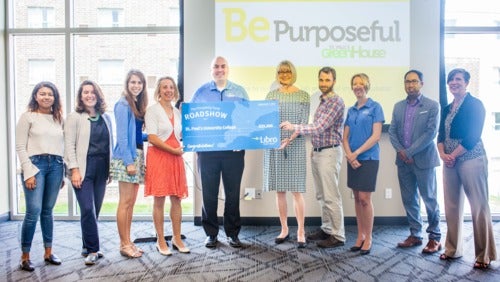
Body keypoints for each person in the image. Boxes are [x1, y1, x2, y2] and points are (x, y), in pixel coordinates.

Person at [437, 68, 497, 269]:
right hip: (449, 162)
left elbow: (473, 136)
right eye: (451, 80)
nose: (454, 82)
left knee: (478, 207)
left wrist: (452, 155)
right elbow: (440, 136)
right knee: (452, 207)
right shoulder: (446, 108)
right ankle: (452, 250)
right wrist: (443, 154)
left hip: (471, 158)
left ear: (466, 82)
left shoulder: (475, 105)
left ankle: (483, 255)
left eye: (458, 79)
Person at [280, 66, 345, 248]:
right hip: (318, 152)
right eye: (321, 80)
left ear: (334, 81)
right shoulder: (323, 101)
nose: (323, 83)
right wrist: (293, 136)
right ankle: (327, 229)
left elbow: (318, 127)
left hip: (329, 153)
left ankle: (338, 235)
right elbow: (314, 125)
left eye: (327, 80)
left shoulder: (336, 102)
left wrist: (293, 126)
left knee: (331, 196)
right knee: (322, 195)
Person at [191, 56, 249, 249]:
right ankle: (211, 234)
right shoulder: (200, 93)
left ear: (228, 69)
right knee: (209, 194)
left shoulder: (240, 91)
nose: (220, 69)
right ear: (211, 70)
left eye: (223, 66)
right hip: (208, 154)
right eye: (216, 66)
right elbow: (192, 121)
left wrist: (242, 139)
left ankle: (233, 234)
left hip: (234, 152)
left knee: (232, 194)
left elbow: (247, 120)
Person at [388, 70, 442, 253]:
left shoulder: (432, 105)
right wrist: (402, 152)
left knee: (429, 199)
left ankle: (434, 238)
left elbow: (431, 133)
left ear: (422, 83)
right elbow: (393, 131)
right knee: (409, 199)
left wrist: (409, 151)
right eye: (407, 82)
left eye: (414, 81)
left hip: (424, 161)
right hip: (403, 162)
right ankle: (415, 235)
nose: (410, 85)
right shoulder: (398, 106)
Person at [15, 81, 65, 271]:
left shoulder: (58, 118)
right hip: (35, 165)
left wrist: (62, 173)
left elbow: (62, 146)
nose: (46, 97)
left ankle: (48, 252)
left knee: (47, 211)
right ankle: (25, 256)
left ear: (54, 98)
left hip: (57, 166)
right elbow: (20, 146)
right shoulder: (27, 117)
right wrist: (28, 172)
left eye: (50, 94)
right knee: (33, 211)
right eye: (42, 94)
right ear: (35, 96)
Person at [64, 80, 113, 265]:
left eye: (93, 92)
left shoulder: (105, 117)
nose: (89, 95)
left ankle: (86, 245)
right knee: (86, 208)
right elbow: (69, 145)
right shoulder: (74, 117)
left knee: (95, 209)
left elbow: (110, 144)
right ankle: (93, 250)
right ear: (81, 95)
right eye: (85, 92)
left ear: (98, 95)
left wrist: (109, 169)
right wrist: (74, 170)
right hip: (83, 167)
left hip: (102, 167)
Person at [264, 60, 310, 248]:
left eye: (287, 71)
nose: (284, 74)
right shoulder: (271, 95)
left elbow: (303, 123)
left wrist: (288, 140)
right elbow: (266, 122)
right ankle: (284, 229)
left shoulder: (303, 96)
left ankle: (300, 230)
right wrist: (275, 141)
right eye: (281, 71)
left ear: (293, 72)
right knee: (280, 190)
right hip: (275, 146)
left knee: (296, 191)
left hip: (295, 145)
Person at [145, 77, 189, 255]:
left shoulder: (178, 113)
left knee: (176, 199)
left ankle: (177, 238)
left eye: (171, 87)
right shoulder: (152, 111)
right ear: (159, 90)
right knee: (159, 199)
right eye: (165, 87)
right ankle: (161, 240)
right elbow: (152, 138)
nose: (168, 90)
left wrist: (184, 146)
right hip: (160, 157)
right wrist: (173, 150)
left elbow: (181, 135)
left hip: (175, 159)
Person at [342, 73, 384, 255]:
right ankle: (360, 236)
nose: (358, 86)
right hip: (353, 160)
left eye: (361, 83)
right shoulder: (351, 110)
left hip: (368, 159)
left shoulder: (375, 107)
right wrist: (350, 155)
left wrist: (356, 154)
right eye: (354, 84)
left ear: (367, 85)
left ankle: (369, 238)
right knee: (357, 199)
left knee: (365, 200)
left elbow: (375, 136)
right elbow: (344, 137)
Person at [110, 69, 148, 258]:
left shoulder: (136, 104)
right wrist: (129, 162)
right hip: (126, 158)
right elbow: (122, 137)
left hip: (136, 155)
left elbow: (137, 136)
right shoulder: (123, 104)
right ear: (127, 84)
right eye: (133, 82)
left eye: (139, 82)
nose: (136, 85)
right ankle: (123, 244)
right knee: (125, 202)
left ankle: (128, 241)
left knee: (131, 203)